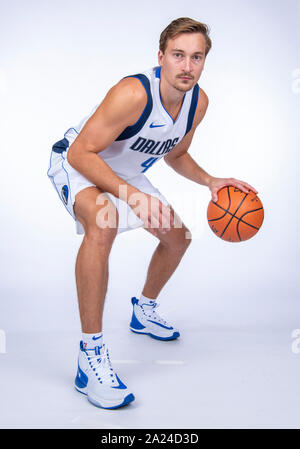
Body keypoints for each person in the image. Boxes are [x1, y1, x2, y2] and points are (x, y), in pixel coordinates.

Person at [47, 17, 258, 410]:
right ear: (161, 57)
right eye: (178, 55)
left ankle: (143, 312)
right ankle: (90, 355)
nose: (187, 66)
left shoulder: (198, 102)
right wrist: (130, 196)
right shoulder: (133, 93)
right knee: (103, 221)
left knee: (178, 238)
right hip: (78, 163)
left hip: (124, 170)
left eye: (196, 57)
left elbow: (175, 152)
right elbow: (81, 153)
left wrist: (210, 181)